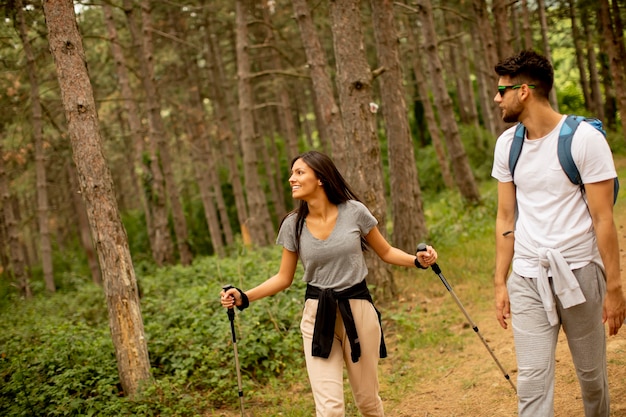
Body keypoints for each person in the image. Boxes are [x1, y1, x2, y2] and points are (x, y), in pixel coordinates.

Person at [220, 150, 438, 417]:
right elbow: (283, 278)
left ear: (320, 178)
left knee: (368, 403)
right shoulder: (293, 225)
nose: (291, 179)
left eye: (299, 172)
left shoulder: (354, 212)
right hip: (317, 316)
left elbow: (386, 251)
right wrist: (244, 297)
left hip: (358, 312)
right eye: (292, 173)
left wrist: (417, 261)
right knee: (330, 410)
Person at [491, 49, 626, 417]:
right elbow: (505, 217)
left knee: (592, 377)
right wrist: (501, 281)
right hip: (528, 276)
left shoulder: (583, 139)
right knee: (532, 382)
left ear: (524, 92)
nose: (496, 97)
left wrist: (614, 287)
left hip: (579, 273)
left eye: (502, 90)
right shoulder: (508, 145)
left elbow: (603, 219)